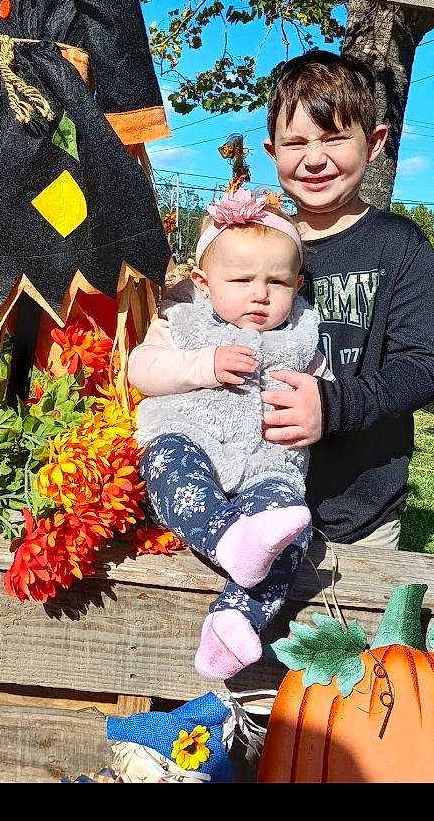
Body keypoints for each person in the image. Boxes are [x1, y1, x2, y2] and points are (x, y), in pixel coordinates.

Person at [127, 188, 332, 680]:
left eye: (277, 282)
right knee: (166, 459)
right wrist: (204, 366)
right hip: (189, 443)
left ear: (297, 284)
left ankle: (235, 621)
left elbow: (323, 395)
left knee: (290, 528)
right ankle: (226, 537)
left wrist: (316, 407)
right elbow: (142, 368)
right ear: (203, 281)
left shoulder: (304, 335)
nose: (260, 294)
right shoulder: (184, 318)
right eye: (241, 280)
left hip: (268, 464)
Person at [261, 50, 434, 550]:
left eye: (334, 138)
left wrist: (333, 405)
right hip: (249, 501)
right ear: (271, 151)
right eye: (295, 141)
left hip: (359, 516)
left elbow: (426, 367)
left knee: (346, 630)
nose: (314, 158)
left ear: (376, 142)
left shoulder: (400, 245)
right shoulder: (253, 239)